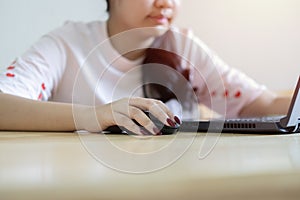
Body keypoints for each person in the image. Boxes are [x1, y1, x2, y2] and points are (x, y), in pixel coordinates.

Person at [0, 0, 291, 135]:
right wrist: (94, 116)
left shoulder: (182, 46)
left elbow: (259, 103)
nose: (166, 3)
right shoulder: (67, 44)